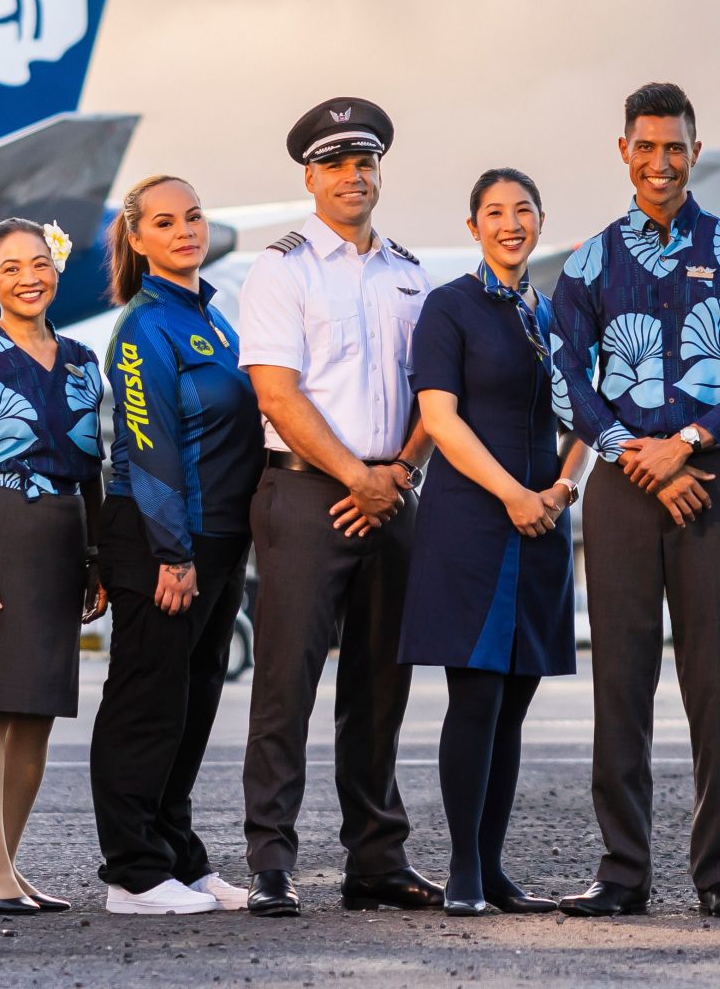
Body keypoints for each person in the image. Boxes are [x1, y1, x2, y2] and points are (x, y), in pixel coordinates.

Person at [550, 81, 720, 920]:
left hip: (709, 484)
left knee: (717, 682)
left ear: (694, 148)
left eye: (675, 146)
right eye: (645, 146)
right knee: (621, 681)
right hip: (620, 486)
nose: (661, 161)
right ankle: (622, 874)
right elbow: (564, 373)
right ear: (624, 150)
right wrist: (631, 453)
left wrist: (683, 445)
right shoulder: (588, 261)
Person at [238, 98, 441, 916]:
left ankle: (376, 861)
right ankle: (271, 862)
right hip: (305, 494)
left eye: (365, 161)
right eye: (335, 164)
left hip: (392, 494)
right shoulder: (281, 269)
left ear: (379, 172)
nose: (353, 176)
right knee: (286, 683)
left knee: (381, 684)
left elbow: (437, 392)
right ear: (310, 178)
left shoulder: (410, 272)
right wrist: (356, 475)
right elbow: (277, 395)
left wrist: (394, 473)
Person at [404, 168, 588, 916]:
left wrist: (562, 490)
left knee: (514, 704)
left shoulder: (556, 317)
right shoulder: (450, 307)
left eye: (523, 211)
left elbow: (590, 419)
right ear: (473, 226)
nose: (510, 223)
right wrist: (514, 495)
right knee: (476, 698)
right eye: (494, 212)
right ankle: (462, 874)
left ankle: (494, 866)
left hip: (543, 523)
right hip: (474, 523)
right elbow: (440, 420)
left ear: (540, 220)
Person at [89, 175, 262, 917]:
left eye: (193, 216)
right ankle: (131, 873)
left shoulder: (216, 322)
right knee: (146, 703)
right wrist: (172, 553)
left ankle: (179, 859)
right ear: (137, 238)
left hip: (221, 537)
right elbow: (147, 440)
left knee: (192, 706)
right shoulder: (143, 327)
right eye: (165, 221)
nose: (185, 230)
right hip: (161, 537)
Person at [0, 216, 106, 916]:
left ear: (56, 272)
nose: (28, 277)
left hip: (63, 533)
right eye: (11, 267)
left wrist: (95, 557)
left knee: (37, 711)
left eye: (39, 263)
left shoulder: (82, 360)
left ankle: (1, 867)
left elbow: (92, 469)